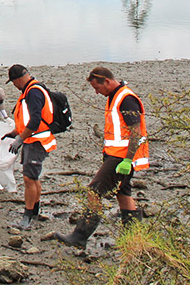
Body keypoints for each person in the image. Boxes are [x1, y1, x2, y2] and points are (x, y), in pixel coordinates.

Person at [57, 66, 149, 248]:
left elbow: (136, 132)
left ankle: (80, 236)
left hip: (121, 158)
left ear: (106, 81)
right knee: (123, 193)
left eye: (97, 88)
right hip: (115, 156)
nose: (97, 93)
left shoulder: (126, 99)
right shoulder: (115, 97)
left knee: (94, 192)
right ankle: (134, 239)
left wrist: (128, 160)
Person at [3, 64, 58, 229]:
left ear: (19, 79)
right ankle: (34, 210)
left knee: (29, 178)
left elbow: (35, 120)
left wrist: (20, 138)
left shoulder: (33, 92)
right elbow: (28, 119)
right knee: (33, 177)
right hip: (32, 139)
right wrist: (15, 133)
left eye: (13, 82)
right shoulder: (30, 90)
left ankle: (27, 216)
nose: (14, 85)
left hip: (36, 141)